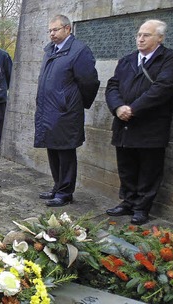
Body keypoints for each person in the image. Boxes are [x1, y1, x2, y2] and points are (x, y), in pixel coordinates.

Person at [104, 20, 173, 225]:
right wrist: (118, 107)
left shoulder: (169, 59)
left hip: (150, 127)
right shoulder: (128, 60)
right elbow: (112, 86)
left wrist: (133, 109)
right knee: (127, 167)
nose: (140, 38)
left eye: (146, 35)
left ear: (160, 38)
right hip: (124, 125)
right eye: (139, 34)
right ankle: (128, 202)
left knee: (149, 169)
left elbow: (163, 88)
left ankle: (141, 208)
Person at [34, 15, 100, 207]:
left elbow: (89, 82)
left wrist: (74, 103)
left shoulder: (79, 51)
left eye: (56, 30)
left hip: (66, 112)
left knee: (65, 152)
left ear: (67, 29)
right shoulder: (50, 51)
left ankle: (65, 193)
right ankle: (57, 187)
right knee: (53, 149)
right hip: (48, 110)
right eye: (50, 30)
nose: (52, 34)